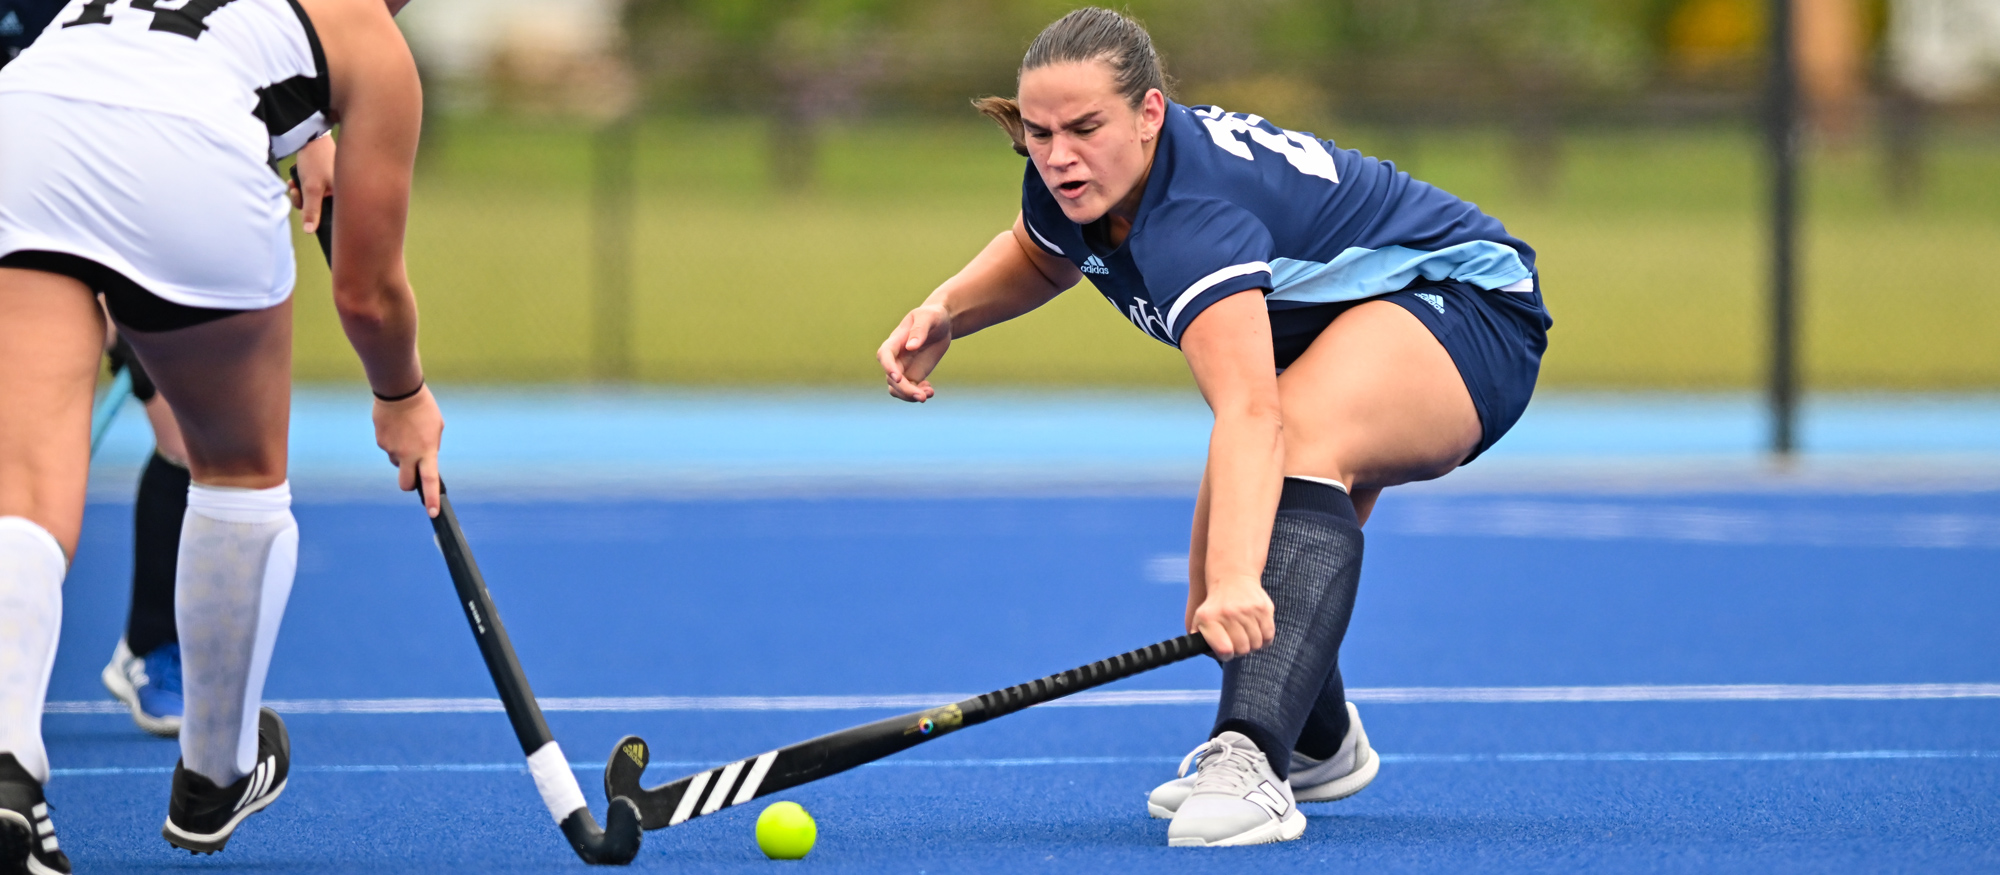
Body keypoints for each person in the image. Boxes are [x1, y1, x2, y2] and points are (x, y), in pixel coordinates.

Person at [876, 8, 1550, 848]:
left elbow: (1252, 411)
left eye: (1085, 128)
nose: (1058, 155)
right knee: (1211, 599)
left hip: (1471, 307)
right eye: (1041, 133)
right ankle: (1315, 740)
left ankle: (1252, 758)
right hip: (1359, 318)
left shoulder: (1195, 215)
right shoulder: (1076, 178)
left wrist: (1242, 578)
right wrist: (948, 309)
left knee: (1286, 472)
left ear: (1150, 113)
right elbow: (1044, 251)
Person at [0, 0, 441, 867]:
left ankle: (7, 772)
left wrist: (298, 124)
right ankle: (215, 772)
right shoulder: (372, 43)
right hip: (185, 155)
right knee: (237, 468)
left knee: (21, 488)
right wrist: (403, 394)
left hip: (27, 120)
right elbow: (368, 295)